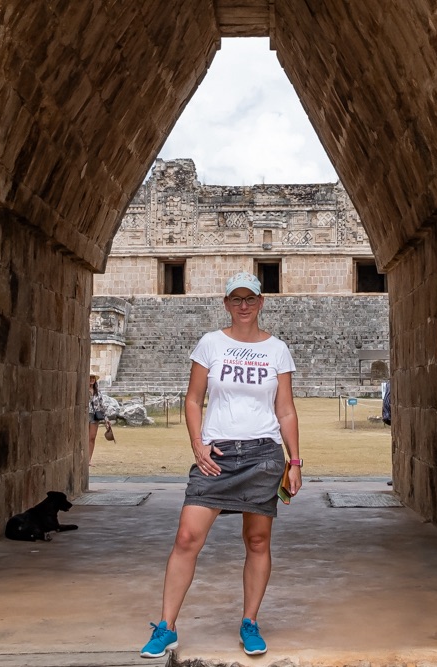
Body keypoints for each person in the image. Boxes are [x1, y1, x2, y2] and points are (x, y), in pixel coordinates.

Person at [140, 271, 302, 659]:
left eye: (250, 298)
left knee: (257, 541)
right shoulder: (211, 343)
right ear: (226, 303)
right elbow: (193, 399)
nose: (244, 306)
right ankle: (166, 626)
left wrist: (294, 460)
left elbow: (285, 408)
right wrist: (197, 444)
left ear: (261, 302)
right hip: (217, 455)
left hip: (262, 454)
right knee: (187, 537)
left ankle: (249, 621)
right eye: (236, 299)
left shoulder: (277, 349)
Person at [88, 374, 108, 463]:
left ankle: (89, 459)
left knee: (92, 437)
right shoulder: (83, 390)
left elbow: (102, 405)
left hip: (94, 415)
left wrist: (106, 419)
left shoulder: (98, 392)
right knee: (84, 438)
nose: (92, 379)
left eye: (93, 378)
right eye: (90, 378)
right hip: (85, 415)